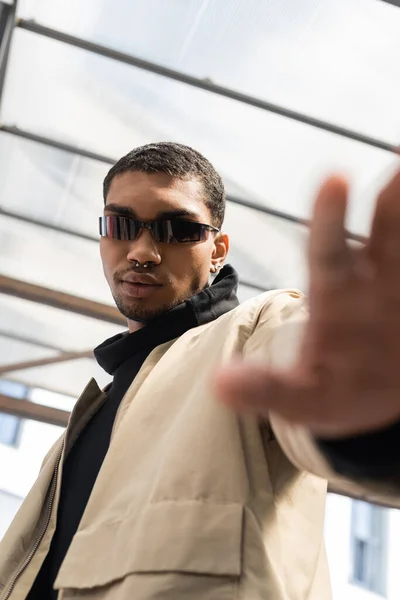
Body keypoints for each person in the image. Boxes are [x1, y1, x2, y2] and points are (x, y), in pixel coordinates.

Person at [1, 142, 400, 600]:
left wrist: (365, 418)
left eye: (178, 229)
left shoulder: (256, 333)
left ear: (218, 251)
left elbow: (306, 385)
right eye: (120, 224)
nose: (143, 252)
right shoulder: (81, 427)